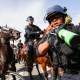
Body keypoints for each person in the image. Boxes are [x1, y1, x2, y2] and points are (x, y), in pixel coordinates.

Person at [38, 5, 80, 80]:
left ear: (64, 17)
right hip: (66, 74)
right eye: (51, 19)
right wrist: (49, 39)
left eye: (57, 17)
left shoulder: (74, 29)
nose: (54, 20)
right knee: (30, 45)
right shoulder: (51, 35)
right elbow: (40, 51)